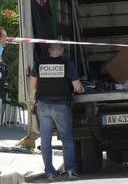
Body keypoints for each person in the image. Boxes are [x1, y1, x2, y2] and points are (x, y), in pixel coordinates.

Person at [28, 43, 84, 181]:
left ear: (49, 51)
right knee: (67, 139)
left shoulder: (40, 64)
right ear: (62, 50)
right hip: (61, 105)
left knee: (46, 141)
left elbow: (31, 86)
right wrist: (82, 90)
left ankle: (50, 173)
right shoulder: (68, 64)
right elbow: (77, 87)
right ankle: (70, 170)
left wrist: (43, 94)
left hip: (43, 105)